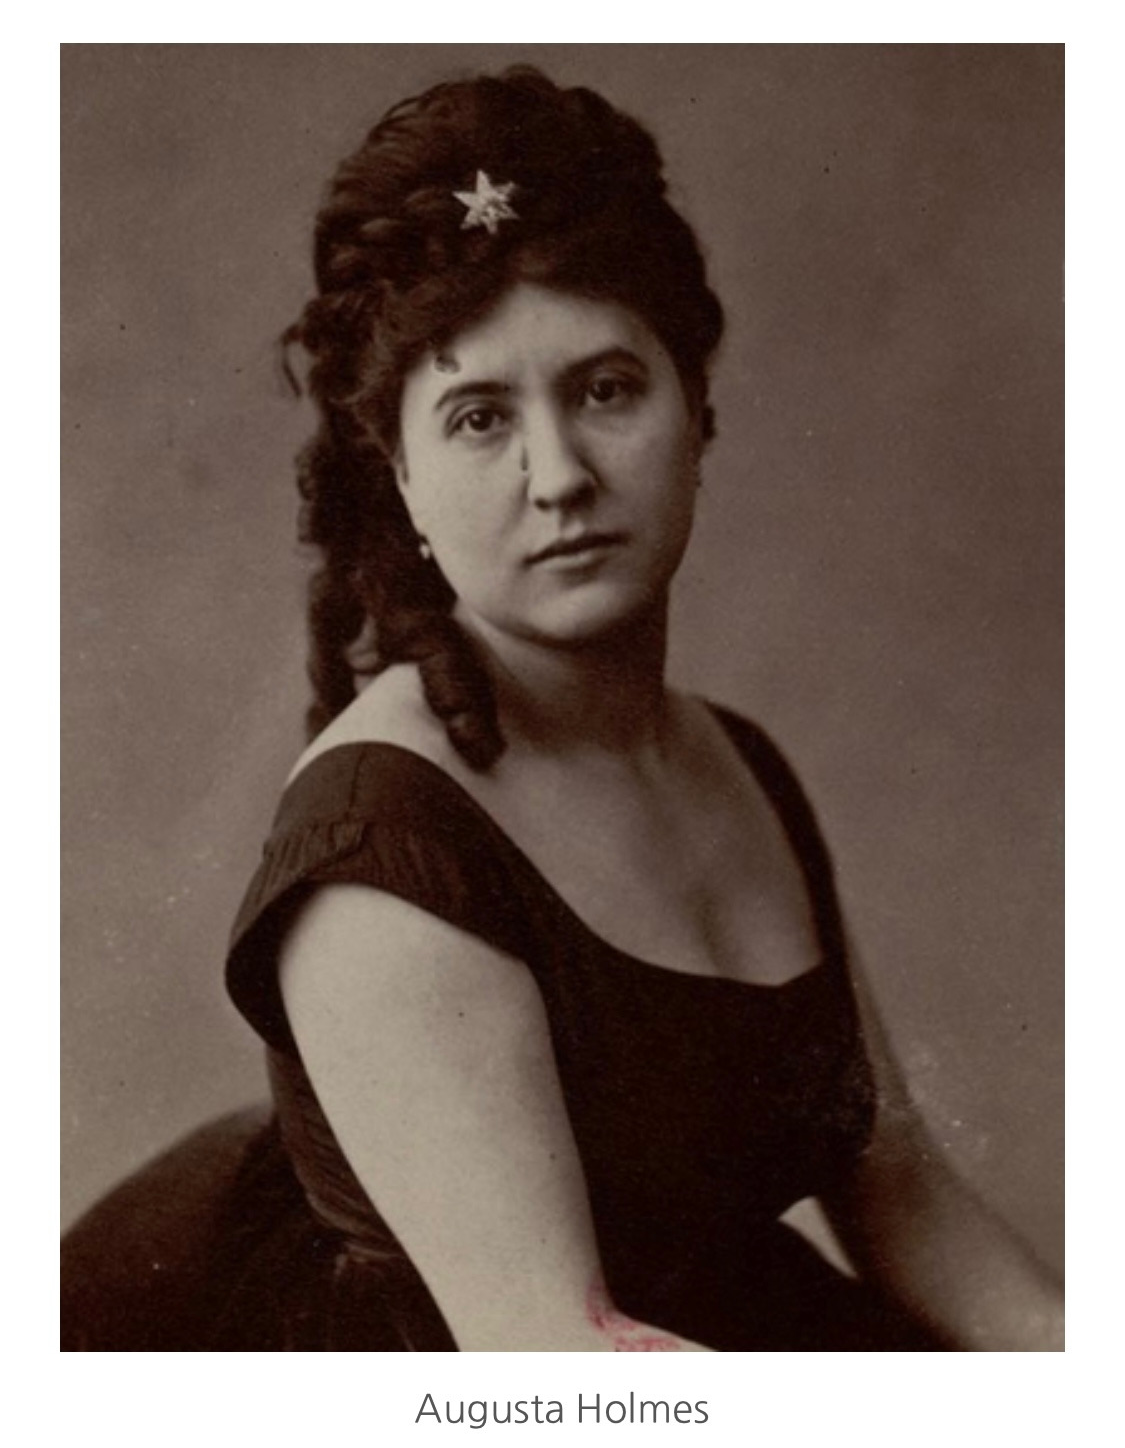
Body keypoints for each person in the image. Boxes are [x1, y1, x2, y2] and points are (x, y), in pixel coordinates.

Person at [62, 66, 1063, 1352]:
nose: (560, 477)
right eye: (481, 417)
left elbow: (908, 1198)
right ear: (403, 479)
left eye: (605, 389)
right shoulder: (382, 841)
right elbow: (558, 1357)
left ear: (696, 407)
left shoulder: (737, 760)